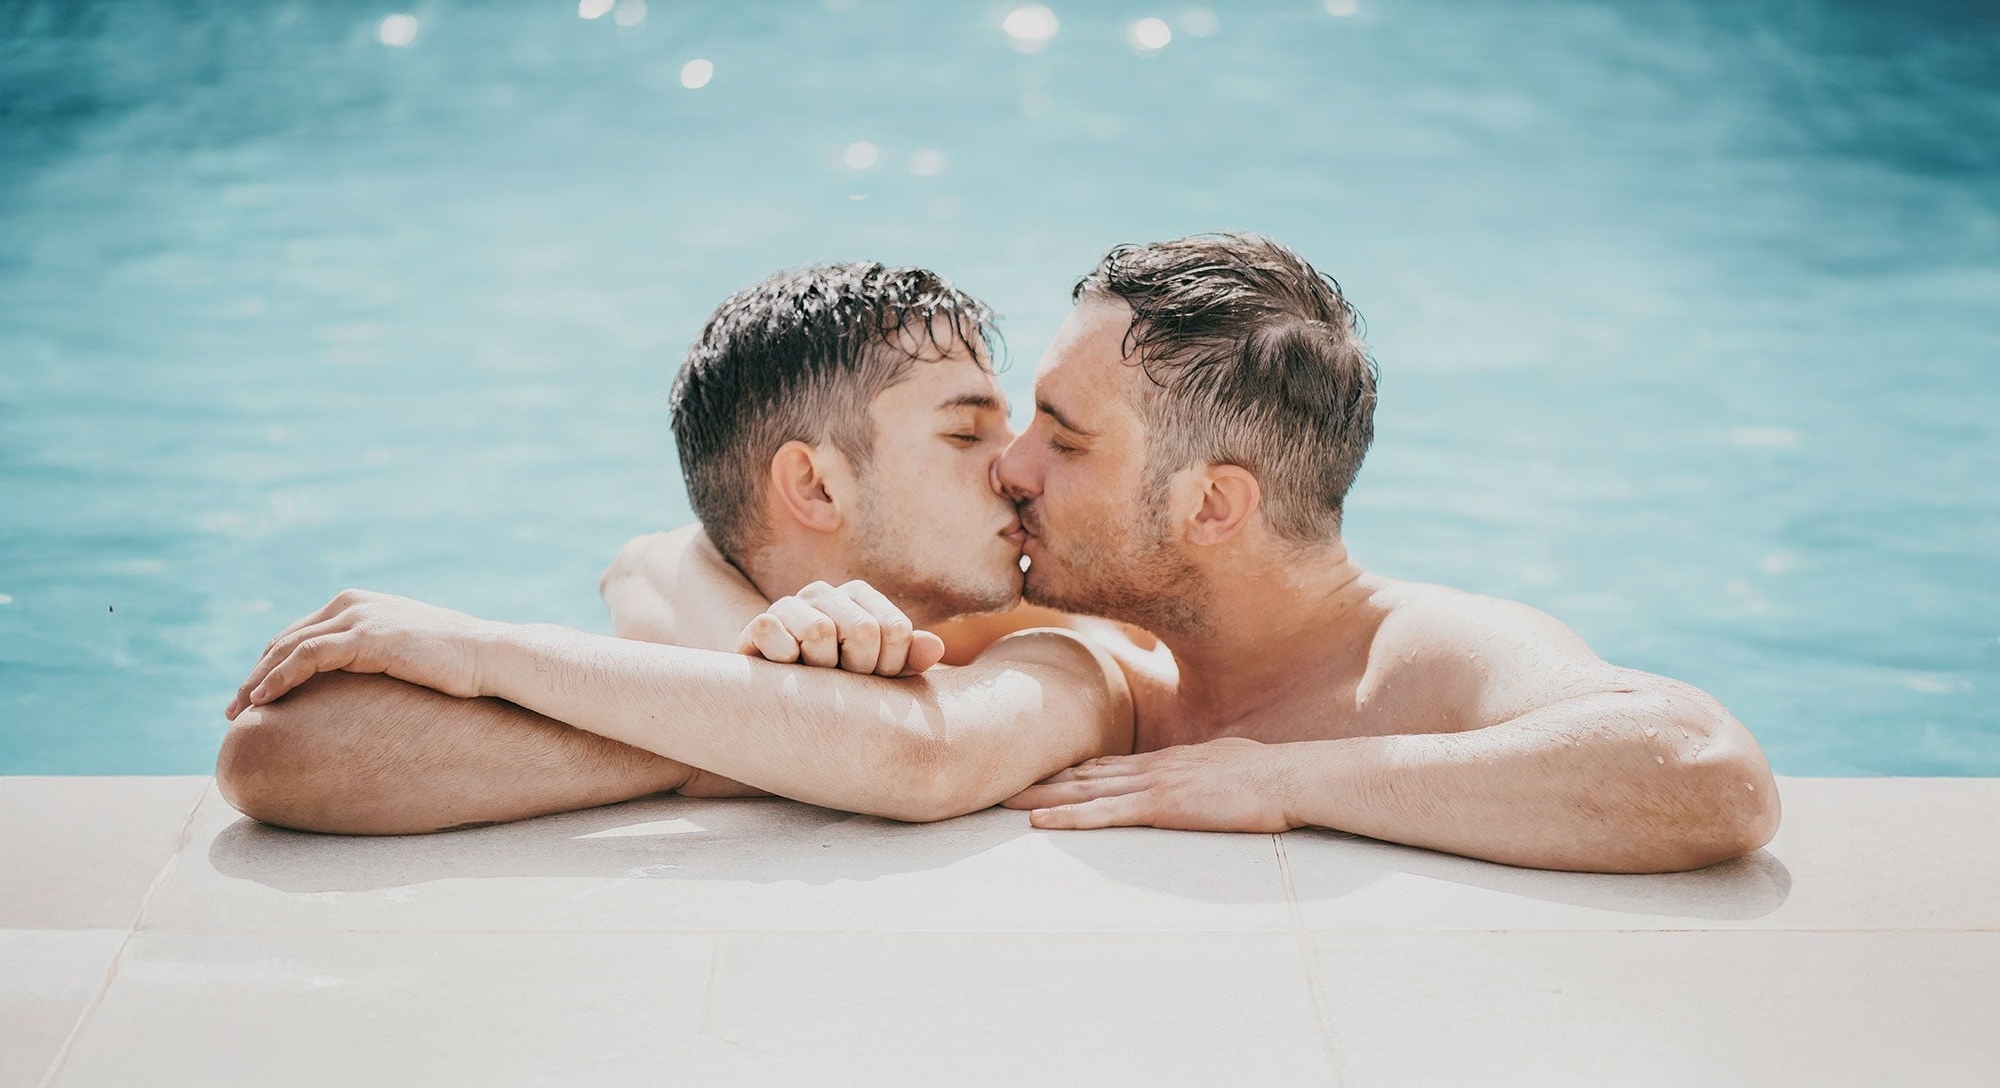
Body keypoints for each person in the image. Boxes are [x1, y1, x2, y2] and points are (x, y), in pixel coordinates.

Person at [223, 236, 1780, 874]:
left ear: (1213, 508)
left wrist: (1294, 783)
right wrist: (710, 669)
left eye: (1056, 438)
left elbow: (1705, 767)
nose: (1019, 471)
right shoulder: (1078, 648)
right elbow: (284, 763)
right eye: (994, 427)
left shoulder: (1420, 652)